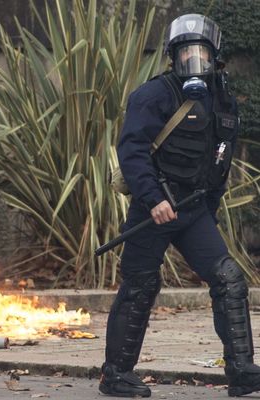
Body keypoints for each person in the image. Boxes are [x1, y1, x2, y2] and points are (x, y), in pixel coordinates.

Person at [98, 14, 260, 398]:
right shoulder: (153, 95)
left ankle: (241, 372)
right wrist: (153, 199)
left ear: (214, 56)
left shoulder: (223, 99)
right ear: (173, 56)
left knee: (228, 279)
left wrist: (211, 210)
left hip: (194, 211)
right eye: (186, 52)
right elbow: (132, 151)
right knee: (140, 285)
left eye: (200, 52)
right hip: (152, 210)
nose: (194, 61)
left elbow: (220, 162)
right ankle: (116, 374)